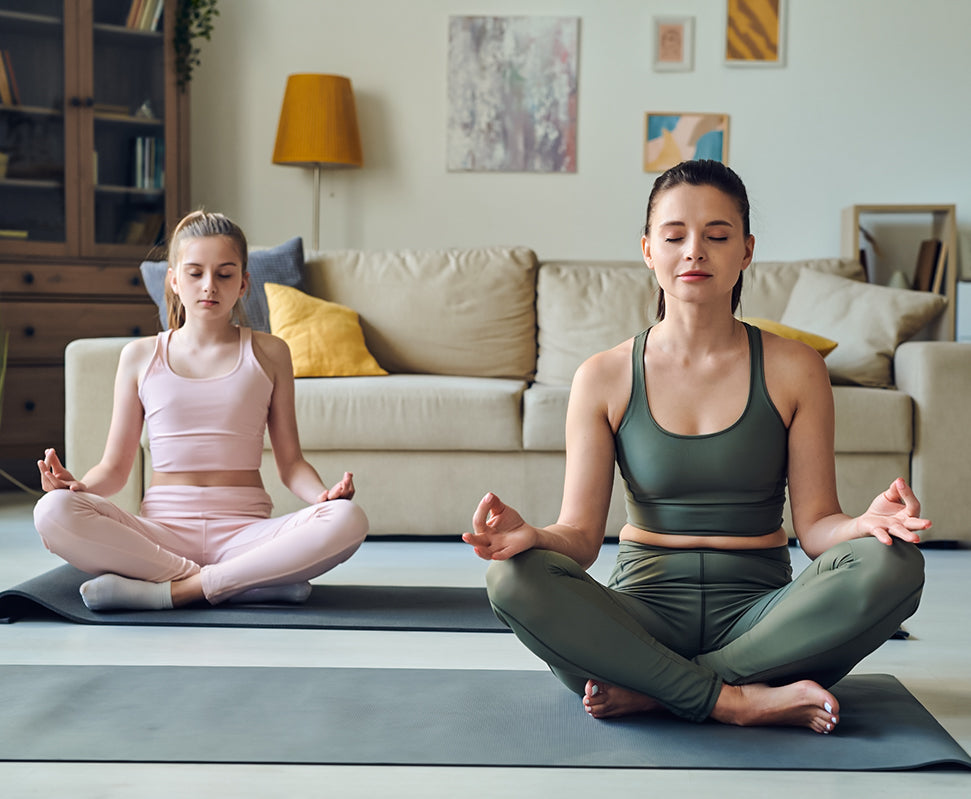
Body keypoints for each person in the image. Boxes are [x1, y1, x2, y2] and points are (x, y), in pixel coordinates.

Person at [462, 160, 926, 734]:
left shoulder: (796, 369)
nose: (695, 252)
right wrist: (531, 538)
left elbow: (816, 527)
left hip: (763, 621)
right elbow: (579, 540)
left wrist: (862, 525)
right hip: (641, 615)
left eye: (717, 235)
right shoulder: (603, 377)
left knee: (894, 563)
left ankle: (663, 690)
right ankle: (738, 701)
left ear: (747, 251)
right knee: (511, 578)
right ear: (648, 250)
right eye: (675, 235)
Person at [34, 211, 368, 611]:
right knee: (52, 510)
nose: (209, 286)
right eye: (195, 273)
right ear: (173, 280)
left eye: (225, 274)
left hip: (246, 533)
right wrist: (79, 490)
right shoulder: (139, 356)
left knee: (349, 519)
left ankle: (173, 591)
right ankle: (248, 583)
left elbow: (291, 463)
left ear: (244, 283)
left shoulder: (271, 352)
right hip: (161, 535)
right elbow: (115, 468)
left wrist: (324, 496)